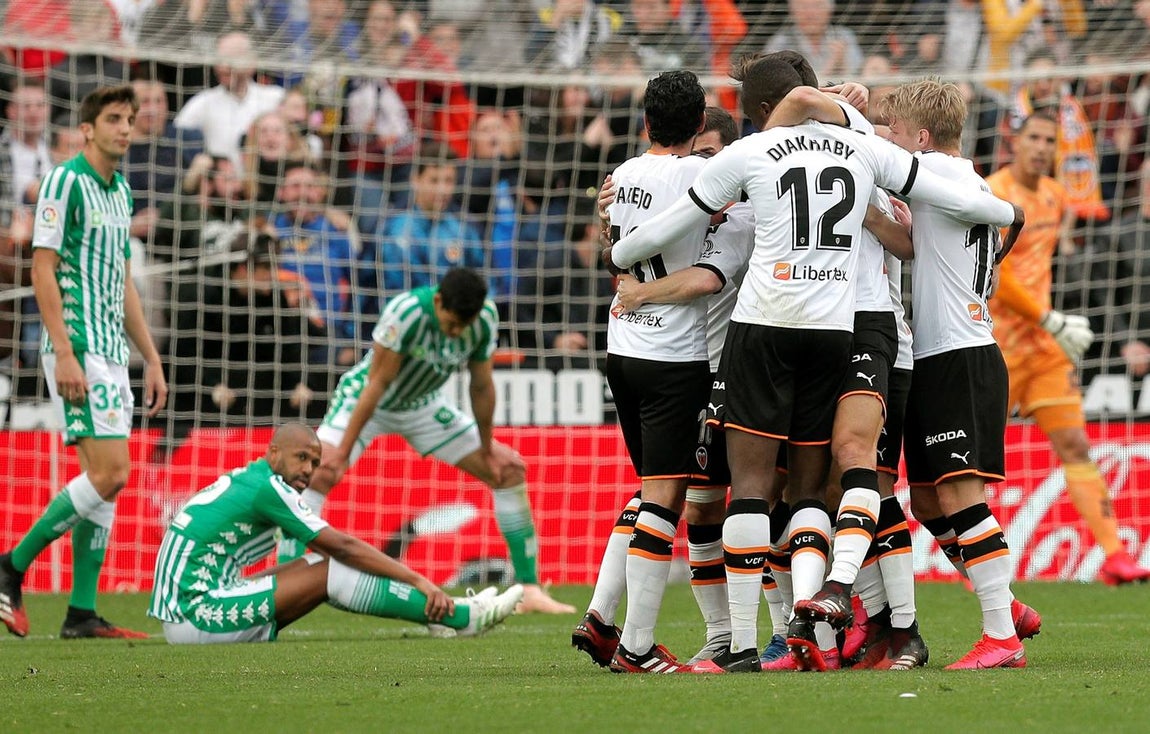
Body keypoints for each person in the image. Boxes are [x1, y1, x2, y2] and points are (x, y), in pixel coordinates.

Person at [610, 59, 1021, 672]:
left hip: (802, 326)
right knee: (835, 485)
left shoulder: (755, 156)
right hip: (855, 329)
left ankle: (789, 633)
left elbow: (669, 225)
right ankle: (841, 630)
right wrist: (999, 215)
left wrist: (621, 251)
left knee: (800, 481)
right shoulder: (867, 149)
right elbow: (961, 218)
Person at [276, 267, 573, 615]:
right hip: (369, 400)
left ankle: (529, 590)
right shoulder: (407, 313)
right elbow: (377, 384)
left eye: (464, 324)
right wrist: (341, 452)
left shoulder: (484, 318)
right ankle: (284, 587)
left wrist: (487, 444)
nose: (457, 332)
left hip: (423, 406)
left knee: (507, 468)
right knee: (317, 471)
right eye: (451, 323)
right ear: (437, 302)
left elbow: (481, 385)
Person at [0, 85, 168, 639]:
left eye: (130, 119)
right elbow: (40, 268)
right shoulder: (64, 181)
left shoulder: (120, 190)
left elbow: (123, 283)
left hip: (113, 352)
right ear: (88, 129)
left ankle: (81, 612)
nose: (125, 128)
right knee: (112, 471)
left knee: (106, 481)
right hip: (76, 348)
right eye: (114, 119)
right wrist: (66, 352)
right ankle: (11, 566)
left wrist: (150, 357)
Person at [878, 80, 1034, 669]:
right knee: (927, 500)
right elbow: (915, 247)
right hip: (943, 354)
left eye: (897, 132)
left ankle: (1001, 637)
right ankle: (1007, 603)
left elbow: (865, 152)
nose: (889, 140)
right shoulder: (962, 183)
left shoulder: (931, 176)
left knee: (962, 499)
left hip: (961, 355)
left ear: (919, 139)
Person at [148, 423, 523, 643]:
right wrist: (420, 580)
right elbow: (342, 546)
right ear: (273, 452)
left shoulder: (253, 479)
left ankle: (435, 617)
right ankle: (460, 617)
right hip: (196, 619)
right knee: (329, 567)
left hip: (190, 612)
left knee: (312, 566)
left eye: (314, 461)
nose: (309, 469)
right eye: (301, 458)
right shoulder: (269, 488)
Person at [987, 113, 1150, 585]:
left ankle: (1115, 554)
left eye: (1049, 141)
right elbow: (999, 277)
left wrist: (1051, 322)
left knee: (1076, 444)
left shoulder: (1056, 197)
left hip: (1044, 349)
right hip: (998, 345)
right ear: (1014, 143)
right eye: (1033, 138)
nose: (1041, 148)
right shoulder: (995, 195)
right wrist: (1050, 318)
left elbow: (1042, 270)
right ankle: (972, 559)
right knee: (980, 457)